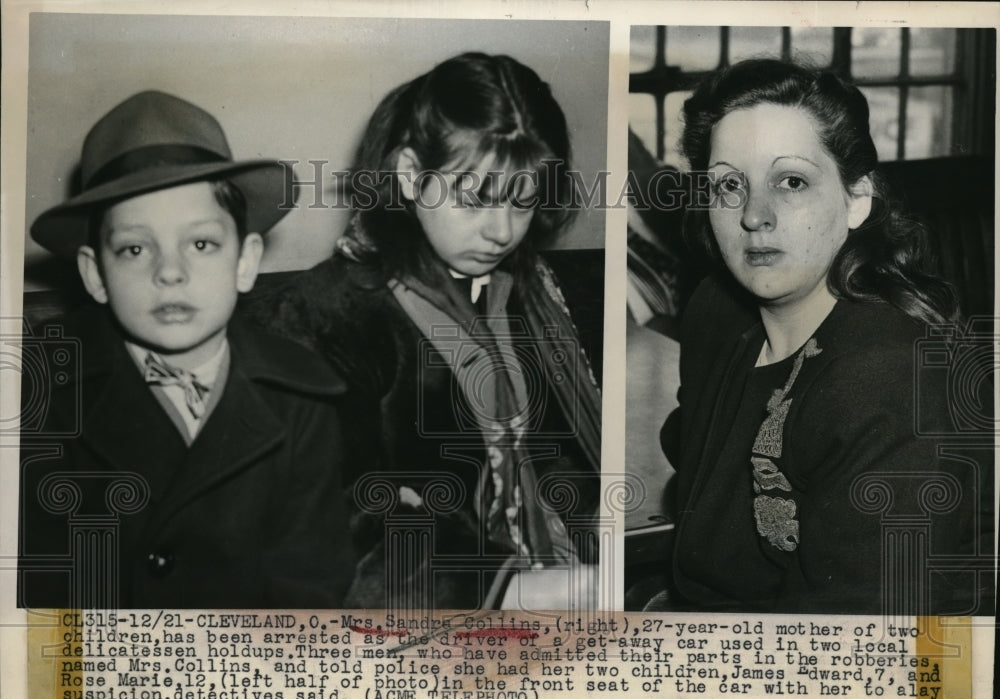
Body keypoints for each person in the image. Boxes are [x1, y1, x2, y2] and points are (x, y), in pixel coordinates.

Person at [247, 52, 603, 610]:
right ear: (411, 175)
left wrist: (592, 551)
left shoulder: (527, 292)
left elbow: (557, 456)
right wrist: (504, 587)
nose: (502, 230)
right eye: (474, 197)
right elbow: (335, 522)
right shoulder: (322, 317)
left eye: (524, 199)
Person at [660, 59, 989, 615]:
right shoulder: (716, 310)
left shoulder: (888, 371)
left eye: (791, 181)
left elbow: (871, 646)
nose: (754, 216)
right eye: (729, 185)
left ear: (856, 198)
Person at [19, 90, 355, 608]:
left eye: (201, 244)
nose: (169, 272)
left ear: (245, 262)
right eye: (134, 248)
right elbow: (38, 604)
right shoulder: (37, 401)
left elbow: (311, 594)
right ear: (95, 274)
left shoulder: (305, 400)